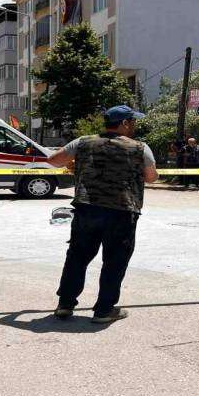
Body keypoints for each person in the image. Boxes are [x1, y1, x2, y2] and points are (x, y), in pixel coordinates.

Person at [46, 105, 158, 324]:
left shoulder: (83, 142)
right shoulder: (140, 147)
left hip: (87, 209)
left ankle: (65, 304)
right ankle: (104, 311)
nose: (134, 125)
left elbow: (53, 161)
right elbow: (151, 177)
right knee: (114, 261)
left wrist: (72, 164)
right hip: (122, 211)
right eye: (132, 121)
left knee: (77, 258)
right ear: (124, 123)